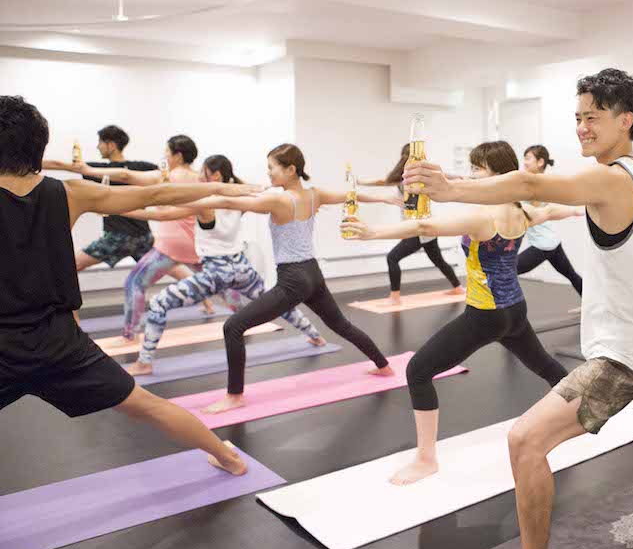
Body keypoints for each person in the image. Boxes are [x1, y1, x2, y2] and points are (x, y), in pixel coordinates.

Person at [404, 68, 633, 549]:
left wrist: (451, 188)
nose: (582, 127)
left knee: (525, 442)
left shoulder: (609, 177)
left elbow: (528, 181)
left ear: (625, 119)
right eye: (577, 118)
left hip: (621, 358)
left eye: (592, 117)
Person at [0, 96, 256, 475]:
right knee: (148, 405)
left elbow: (156, 192)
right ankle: (229, 458)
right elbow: (156, 193)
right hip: (60, 343)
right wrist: (229, 191)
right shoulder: (69, 193)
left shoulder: (69, 191)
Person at [342, 141, 571, 486]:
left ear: (497, 175)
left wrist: (373, 232)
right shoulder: (521, 211)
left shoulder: (483, 215)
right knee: (548, 368)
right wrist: (581, 209)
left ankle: (425, 459)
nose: (472, 174)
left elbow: (425, 228)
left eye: (478, 169)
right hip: (515, 311)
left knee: (419, 370)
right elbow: (551, 212)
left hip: (485, 316)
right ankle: (580, 414)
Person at [190, 144, 398, 414]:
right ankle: (384, 365)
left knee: (233, 327)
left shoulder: (279, 200)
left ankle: (234, 396)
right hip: (312, 273)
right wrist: (384, 199)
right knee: (340, 324)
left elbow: (230, 202)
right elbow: (352, 195)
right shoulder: (315, 194)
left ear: (290, 169)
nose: (269, 173)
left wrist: (190, 196)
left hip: (293, 279)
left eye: (272, 168)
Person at [117, 155, 324, 376]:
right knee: (276, 302)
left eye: (203, 172)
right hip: (242, 270)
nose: (198, 177)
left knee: (158, 303)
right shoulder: (237, 202)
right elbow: (242, 187)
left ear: (215, 175)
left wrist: (119, 210)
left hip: (215, 274)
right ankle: (314, 335)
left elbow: (166, 213)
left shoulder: (208, 205)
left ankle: (144, 362)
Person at [80, 136, 215, 338]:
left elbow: (126, 176)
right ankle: (239, 311)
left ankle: (128, 332)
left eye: (167, 153)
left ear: (177, 156)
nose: (164, 157)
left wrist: (81, 170)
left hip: (163, 245)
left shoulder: (164, 177)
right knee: (214, 279)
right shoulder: (198, 178)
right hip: (190, 244)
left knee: (134, 282)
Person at [42, 124, 160, 272]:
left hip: (118, 238)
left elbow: (59, 164)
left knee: (70, 265)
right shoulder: (143, 167)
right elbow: (168, 174)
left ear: (111, 145)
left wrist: (22, 164)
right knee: (156, 273)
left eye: (100, 143)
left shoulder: (96, 170)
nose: (98, 147)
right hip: (144, 237)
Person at [358, 144, 464, 305]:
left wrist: (460, 178)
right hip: (426, 228)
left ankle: (395, 297)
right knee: (438, 260)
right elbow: (383, 181)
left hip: (419, 230)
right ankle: (458, 288)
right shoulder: (405, 177)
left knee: (392, 258)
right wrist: (360, 181)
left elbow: (444, 176)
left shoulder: (417, 176)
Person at [516, 145, 585, 297]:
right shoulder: (534, 182)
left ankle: (508, 312)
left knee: (508, 271)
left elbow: (533, 205)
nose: (525, 162)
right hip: (551, 241)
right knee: (571, 275)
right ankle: (593, 305)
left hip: (543, 244)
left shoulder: (539, 183)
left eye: (528, 158)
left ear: (540, 162)